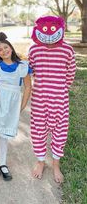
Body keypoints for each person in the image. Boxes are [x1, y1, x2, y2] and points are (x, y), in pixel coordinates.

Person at [28, 16, 76, 183]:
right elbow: (31, 70)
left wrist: (62, 89)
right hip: (39, 99)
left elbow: (71, 71)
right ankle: (41, 161)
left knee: (60, 131)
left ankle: (56, 163)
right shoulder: (34, 50)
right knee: (38, 130)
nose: (49, 36)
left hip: (60, 99)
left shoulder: (67, 50)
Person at [0, 32, 32, 181]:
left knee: (4, 135)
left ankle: (3, 164)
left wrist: (21, 107)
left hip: (12, 104)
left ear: (11, 47)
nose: (4, 51)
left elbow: (28, 87)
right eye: (0, 50)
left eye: (6, 47)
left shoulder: (22, 66)